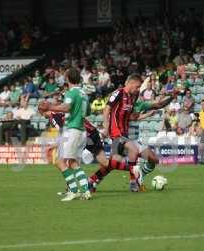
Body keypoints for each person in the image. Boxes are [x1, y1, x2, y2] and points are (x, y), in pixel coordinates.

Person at [91, 74, 173, 192]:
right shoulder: (118, 93)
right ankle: (133, 182)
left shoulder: (132, 99)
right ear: (131, 83)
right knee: (131, 151)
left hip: (126, 135)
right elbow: (107, 109)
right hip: (117, 133)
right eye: (138, 87)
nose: (139, 90)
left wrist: (145, 115)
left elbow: (132, 117)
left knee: (113, 164)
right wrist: (106, 126)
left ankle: (91, 181)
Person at [39, 68, 91, 202]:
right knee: (73, 162)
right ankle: (85, 191)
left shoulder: (71, 92)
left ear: (67, 78)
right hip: (81, 130)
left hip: (73, 129)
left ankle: (73, 191)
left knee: (60, 161)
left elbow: (66, 108)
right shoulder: (84, 93)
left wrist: (49, 107)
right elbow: (88, 112)